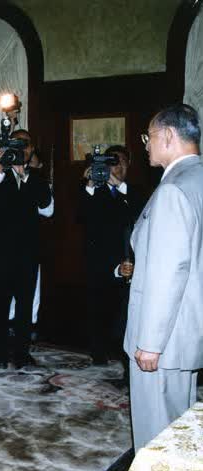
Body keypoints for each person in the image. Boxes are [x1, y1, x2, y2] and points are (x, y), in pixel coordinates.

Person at [124, 103, 203, 451]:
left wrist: (150, 343)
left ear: (168, 135)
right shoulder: (197, 179)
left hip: (165, 340)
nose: (146, 145)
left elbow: (168, 272)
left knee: (156, 440)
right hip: (188, 330)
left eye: (149, 137)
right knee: (180, 428)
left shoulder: (173, 189)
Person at [0, 129, 52, 369]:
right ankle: (0, 353)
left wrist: (25, 175)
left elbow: (47, 205)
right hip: (0, 254)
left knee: (24, 307)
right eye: (17, 144)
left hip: (27, 254)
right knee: (0, 306)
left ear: (31, 150)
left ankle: (22, 353)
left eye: (25, 145)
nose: (21, 149)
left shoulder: (37, 178)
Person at [78, 145, 144, 366]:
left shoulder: (134, 191)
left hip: (127, 259)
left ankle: (124, 354)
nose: (120, 167)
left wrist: (118, 185)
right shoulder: (93, 190)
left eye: (124, 162)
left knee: (125, 312)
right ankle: (98, 353)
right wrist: (89, 184)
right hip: (100, 260)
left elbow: (137, 212)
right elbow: (81, 215)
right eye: (115, 163)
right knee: (98, 309)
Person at [8, 147, 54, 330]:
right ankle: (10, 320)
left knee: (30, 289)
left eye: (30, 162)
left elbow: (48, 210)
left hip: (30, 243)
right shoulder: (6, 178)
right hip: (9, 244)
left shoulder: (38, 181)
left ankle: (30, 323)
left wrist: (27, 182)